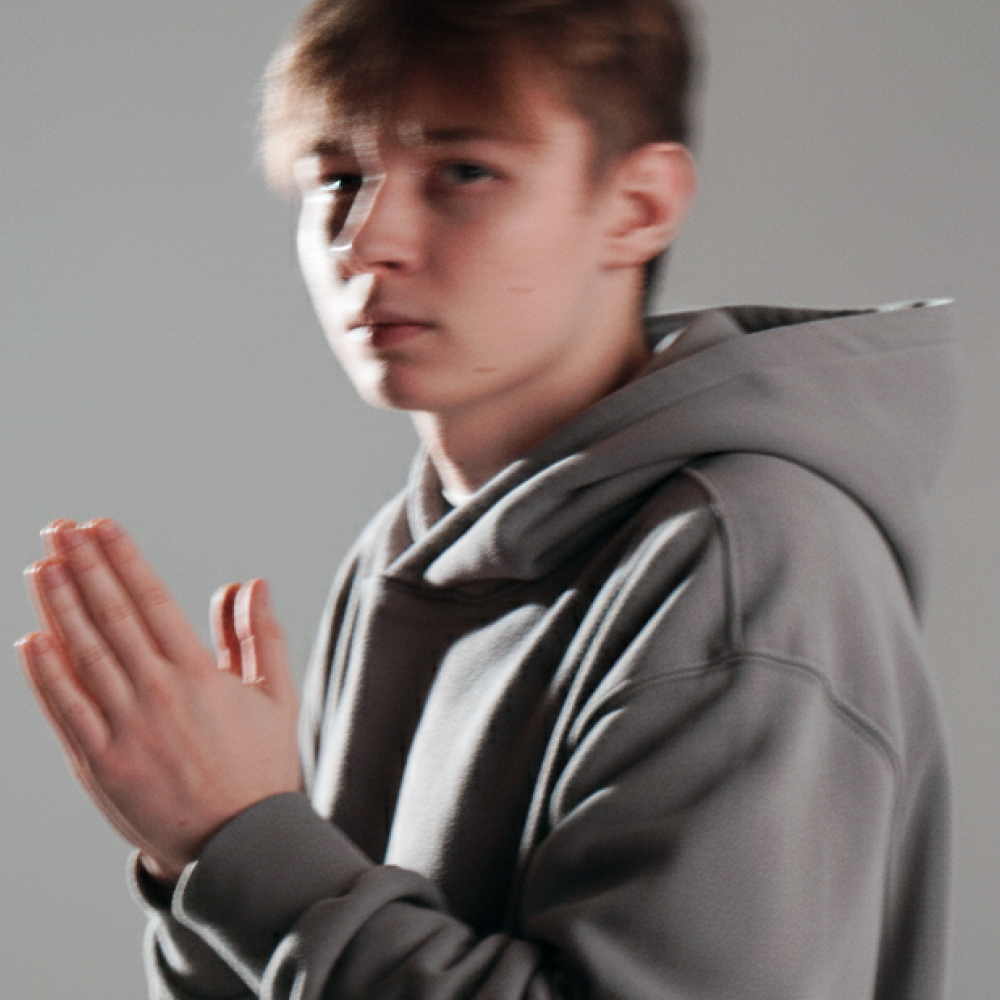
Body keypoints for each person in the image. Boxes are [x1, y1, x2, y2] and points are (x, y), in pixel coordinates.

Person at [17, 0, 958, 997]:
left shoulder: (745, 562)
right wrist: (196, 860)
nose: (364, 239)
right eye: (337, 179)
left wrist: (239, 841)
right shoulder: (403, 549)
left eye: (463, 171)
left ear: (638, 206)